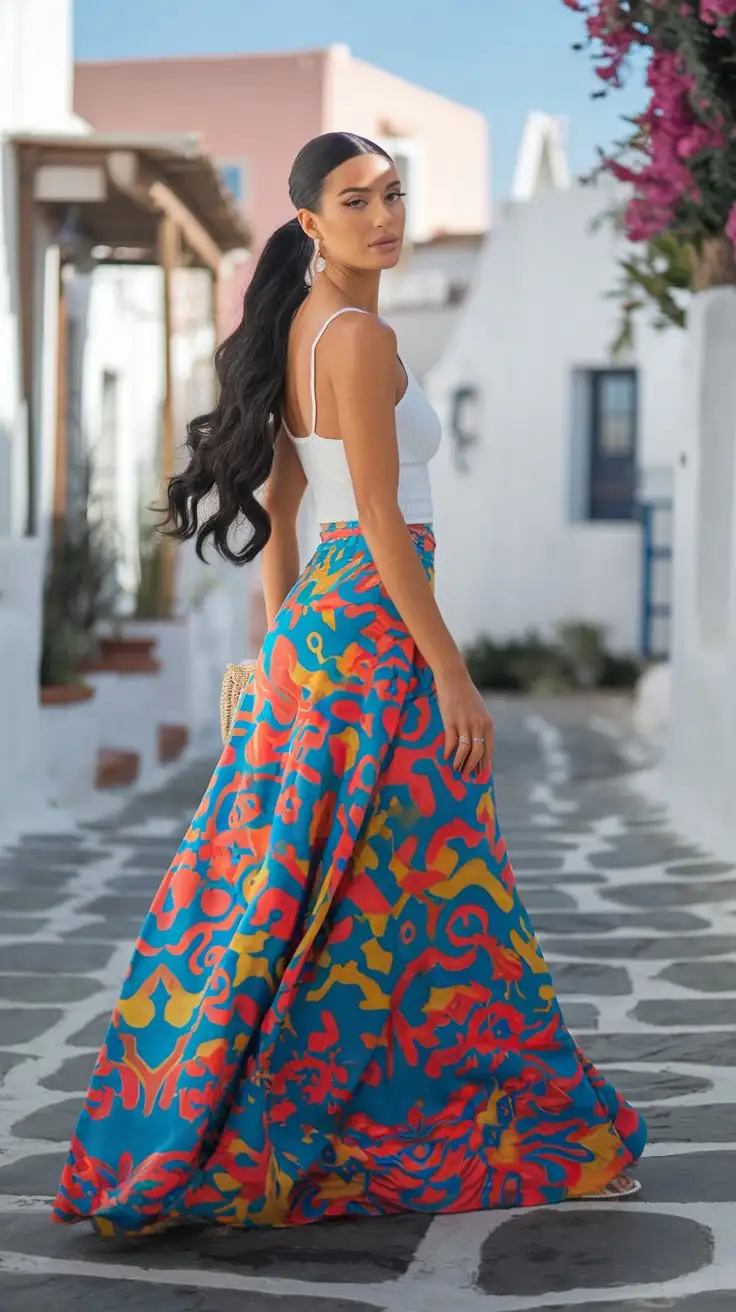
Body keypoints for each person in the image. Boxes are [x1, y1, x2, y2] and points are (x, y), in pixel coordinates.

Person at [53, 132, 646, 1235]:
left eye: (393, 194)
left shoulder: (297, 329)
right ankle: (522, 1128)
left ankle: (272, 1116)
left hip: (329, 630)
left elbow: (283, 515)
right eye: (354, 199)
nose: (384, 214)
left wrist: (278, 646)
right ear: (310, 224)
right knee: (443, 888)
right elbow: (377, 517)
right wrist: (453, 672)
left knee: (345, 890)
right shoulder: (359, 336)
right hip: (374, 634)